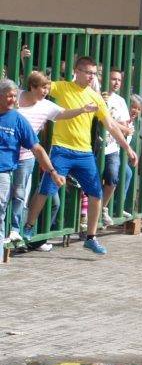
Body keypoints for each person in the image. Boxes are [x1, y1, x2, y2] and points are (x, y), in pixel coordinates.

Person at [22, 56, 137, 255]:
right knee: (46, 190)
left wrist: (127, 148)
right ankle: (28, 227)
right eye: (88, 72)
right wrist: (26, 64)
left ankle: (90, 237)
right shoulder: (62, 87)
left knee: (96, 193)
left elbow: (109, 124)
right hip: (61, 149)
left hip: (84, 152)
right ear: (77, 71)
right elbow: (39, 85)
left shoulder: (96, 96)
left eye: (94, 73)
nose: (92, 76)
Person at [12, 70, 95, 241]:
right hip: (6, 152)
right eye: (43, 88)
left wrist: (82, 110)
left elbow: (63, 113)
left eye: (47, 88)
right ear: (32, 87)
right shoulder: (17, 97)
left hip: (26, 156)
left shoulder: (46, 106)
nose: (46, 91)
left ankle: (14, 231)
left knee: (20, 194)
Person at [1, 78, 65, 243]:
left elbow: (37, 148)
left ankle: (13, 232)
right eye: (9, 96)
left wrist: (52, 172)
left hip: (11, 166)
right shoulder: (19, 103)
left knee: (13, 199)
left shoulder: (18, 119)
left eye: (14, 97)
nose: (13, 100)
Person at [99, 68, 133, 226]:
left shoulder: (120, 101)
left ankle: (102, 208)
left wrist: (110, 121)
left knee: (113, 176)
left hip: (112, 146)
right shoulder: (96, 94)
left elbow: (126, 128)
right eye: (113, 79)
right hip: (95, 145)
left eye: (119, 80)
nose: (116, 83)